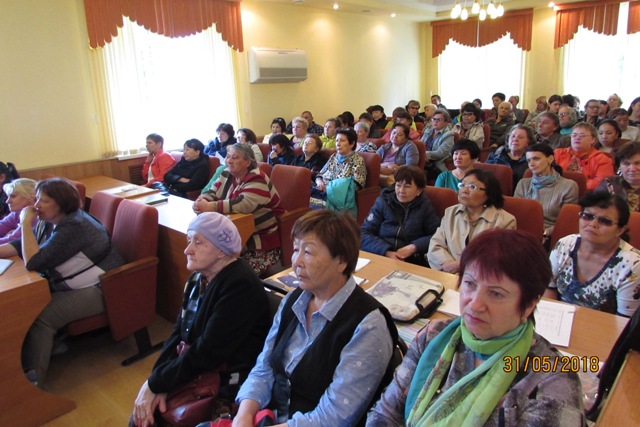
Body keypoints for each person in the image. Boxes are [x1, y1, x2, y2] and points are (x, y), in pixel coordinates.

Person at [368, 229, 584, 426]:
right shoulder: (434, 335)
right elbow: (385, 413)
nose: (474, 304)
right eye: (470, 284)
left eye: (496, 293)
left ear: (528, 306)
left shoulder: (552, 379)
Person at [234, 210, 397, 426]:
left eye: (308, 252)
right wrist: (244, 415)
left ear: (341, 261)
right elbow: (265, 366)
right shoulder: (294, 299)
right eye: (295, 249)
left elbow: (333, 417)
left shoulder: (368, 325)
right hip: (273, 417)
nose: (297, 262)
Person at [130, 213, 270, 427]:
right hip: (200, 370)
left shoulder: (240, 285)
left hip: (227, 381)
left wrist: (157, 383)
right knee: (143, 416)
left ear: (221, 250)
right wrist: (156, 380)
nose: (187, 250)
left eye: (198, 242)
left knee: (151, 419)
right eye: (189, 240)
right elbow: (178, 334)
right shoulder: (198, 278)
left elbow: (208, 352)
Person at [0, 178, 125, 385]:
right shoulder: (52, 219)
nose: (37, 205)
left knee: (40, 316)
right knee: (24, 303)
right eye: (37, 198)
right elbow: (24, 243)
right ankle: (41, 350)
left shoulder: (74, 226)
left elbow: (33, 262)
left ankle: (32, 381)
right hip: (77, 281)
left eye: (44, 201)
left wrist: (24, 223)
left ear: (61, 204)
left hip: (103, 286)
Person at [194, 143, 284, 275]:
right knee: (208, 264)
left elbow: (243, 204)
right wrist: (202, 201)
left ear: (248, 162)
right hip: (234, 235)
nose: (229, 160)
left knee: (230, 274)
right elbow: (212, 191)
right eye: (228, 156)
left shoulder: (257, 178)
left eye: (235, 157)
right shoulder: (226, 173)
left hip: (259, 242)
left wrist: (210, 206)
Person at [546, 192, 640, 317]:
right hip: (560, 319)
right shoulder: (565, 245)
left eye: (604, 221)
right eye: (587, 216)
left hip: (605, 326)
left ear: (620, 230)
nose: (593, 224)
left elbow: (624, 320)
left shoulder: (632, 265)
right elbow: (549, 287)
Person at [428, 169, 516, 274]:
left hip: (481, 278)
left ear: (488, 194)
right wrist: (447, 265)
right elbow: (436, 244)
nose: (464, 190)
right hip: (446, 274)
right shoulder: (450, 212)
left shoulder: (505, 221)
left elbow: (499, 259)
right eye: (462, 185)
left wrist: (462, 266)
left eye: (472, 187)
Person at [361, 166, 440, 266]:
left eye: (407, 186)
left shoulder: (425, 206)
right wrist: (386, 252)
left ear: (419, 191)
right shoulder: (383, 202)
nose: (401, 191)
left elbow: (437, 235)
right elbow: (364, 233)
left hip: (409, 260)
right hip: (381, 256)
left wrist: (414, 247)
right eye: (398, 185)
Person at [514, 144, 579, 238]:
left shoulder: (569, 186)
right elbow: (516, 214)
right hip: (521, 231)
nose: (531, 164)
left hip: (549, 234)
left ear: (550, 159)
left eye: (536, 159)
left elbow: (566, 221)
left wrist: (545, 233)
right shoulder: (523, 183)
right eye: (528, 160)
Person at [554, 123, 615, 190]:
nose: (577, 138)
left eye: (582, 135)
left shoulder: (602, 159)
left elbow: (601, 184)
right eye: (574, 135)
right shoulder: (557, 153)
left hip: (587, 193)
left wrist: (573, 187)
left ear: (593, 139)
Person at [313, 128, 367, 200]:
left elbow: (358, 185)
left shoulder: (357, 160)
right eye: (337, 140)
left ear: (352, 144)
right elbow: (320, 174)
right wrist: (319, 181)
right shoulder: (334, 156)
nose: (338, 144)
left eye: (342, 141)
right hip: (321, 191)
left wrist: (330, 188)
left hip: (337, 197)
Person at [597, 141, 640, 212]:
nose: (632, 169)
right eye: (626, 164)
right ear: (619, 167)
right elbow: (594, 209)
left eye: (638, 163)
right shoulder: (609, 183)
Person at [0, 178, 37, 245]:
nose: (7, 201)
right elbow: (1, 226)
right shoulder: (17, 213)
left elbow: (11, 241)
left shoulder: (34, 216)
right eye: (8, 197)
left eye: (13, 196)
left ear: (30, 196)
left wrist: (8, 235)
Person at [422, 108, 455, 179]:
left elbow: (440, 153)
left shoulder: (448, 135)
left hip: (436, 165)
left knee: (416, 172)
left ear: (446, 122)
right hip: (424, 161)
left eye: (439, 119)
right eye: (434, 119)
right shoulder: (428, 131)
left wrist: (424, 154)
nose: (435, 121)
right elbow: (420, 145)